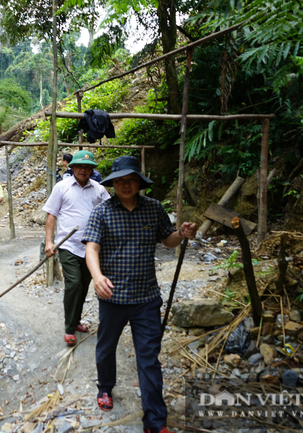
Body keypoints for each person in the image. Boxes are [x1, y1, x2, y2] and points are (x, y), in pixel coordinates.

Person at [82, 155, 197, 430]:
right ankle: (105, 387)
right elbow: (91, 249)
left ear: (138, 183)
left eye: (130, 180)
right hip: (113, 297)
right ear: (113, 184)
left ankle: (155, 421)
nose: (125, 185)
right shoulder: (102, 212)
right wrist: (97, 277)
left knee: (149, 358)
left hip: (146, 298)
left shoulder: (154, 209)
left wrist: (180, 234)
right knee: (106, 348)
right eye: (120, 181)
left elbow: (167, 240)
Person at [43, 150, 110, 347]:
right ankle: (69, 328)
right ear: (72, 167)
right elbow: (51, 215)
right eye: (80, 166)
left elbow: (111, 211)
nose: (84, 170)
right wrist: (49, 242)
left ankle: (76, 320)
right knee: (73, 284)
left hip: (92, 248)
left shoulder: (98, 189)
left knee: (84, 286)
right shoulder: (62, 187)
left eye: (88, 167)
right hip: (68, 245)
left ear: (92, 170)